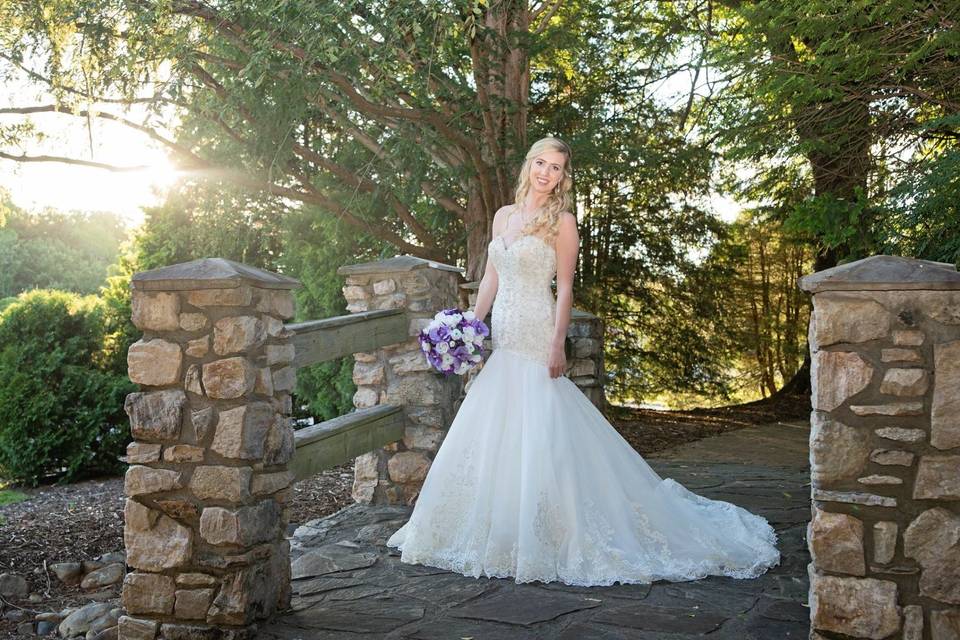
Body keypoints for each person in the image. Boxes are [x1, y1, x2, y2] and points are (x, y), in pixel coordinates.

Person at [385, 136, 780, 586]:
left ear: (562, 177)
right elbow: (492, 275)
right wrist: (470, 327)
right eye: (540, 163)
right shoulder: (503, 217)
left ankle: (553, 526)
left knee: (543, 421)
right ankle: (501, 525)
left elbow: (566, 289)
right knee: (498, 423)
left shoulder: (563, 223)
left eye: (555, 168)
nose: (545, 173)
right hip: (503, 334)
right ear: (528, 165)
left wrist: (558, 343)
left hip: (536, 331)